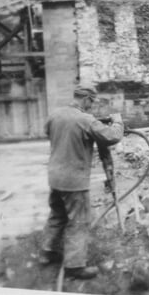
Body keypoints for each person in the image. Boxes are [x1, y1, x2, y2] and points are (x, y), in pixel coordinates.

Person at [39, 85, 124, 279]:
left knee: (57, 215)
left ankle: (47, 253)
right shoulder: (85, 120)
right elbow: (112, 136)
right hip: (74, 181)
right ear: (86, 99)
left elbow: (50, 131)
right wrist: (118, 122)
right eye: (92, 102)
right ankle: (75, 266)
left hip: (55, 177)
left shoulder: (55, 115)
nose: (92, 107)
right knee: (79, 221)